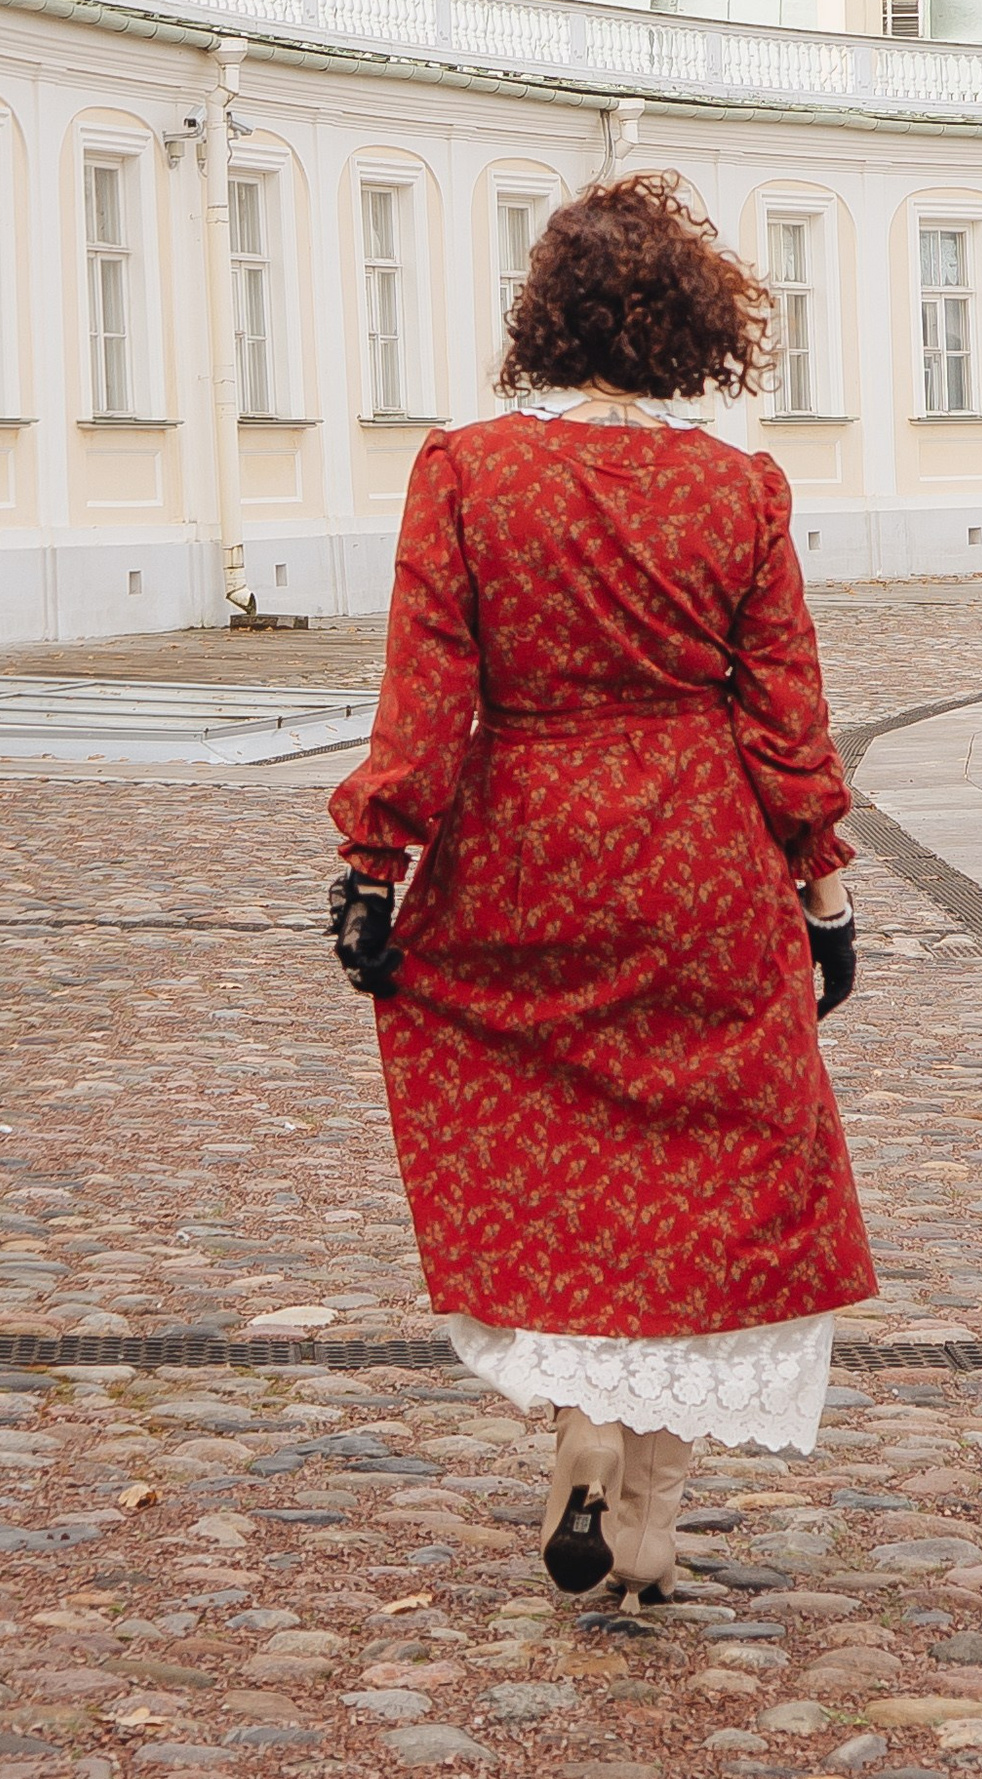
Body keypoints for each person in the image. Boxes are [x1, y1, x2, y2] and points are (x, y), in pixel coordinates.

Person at [325, 172, 874, 1609]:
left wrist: (375, 868)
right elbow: (787, 717)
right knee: (718, 1181)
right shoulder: (739, 488)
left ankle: (579, 1426)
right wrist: (821, 892)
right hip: (700, 860)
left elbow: (426, 694)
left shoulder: (467, 471)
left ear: (545, 318)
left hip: (521, 851)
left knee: (551, 1158)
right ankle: (646, 1523)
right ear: (696, 329)